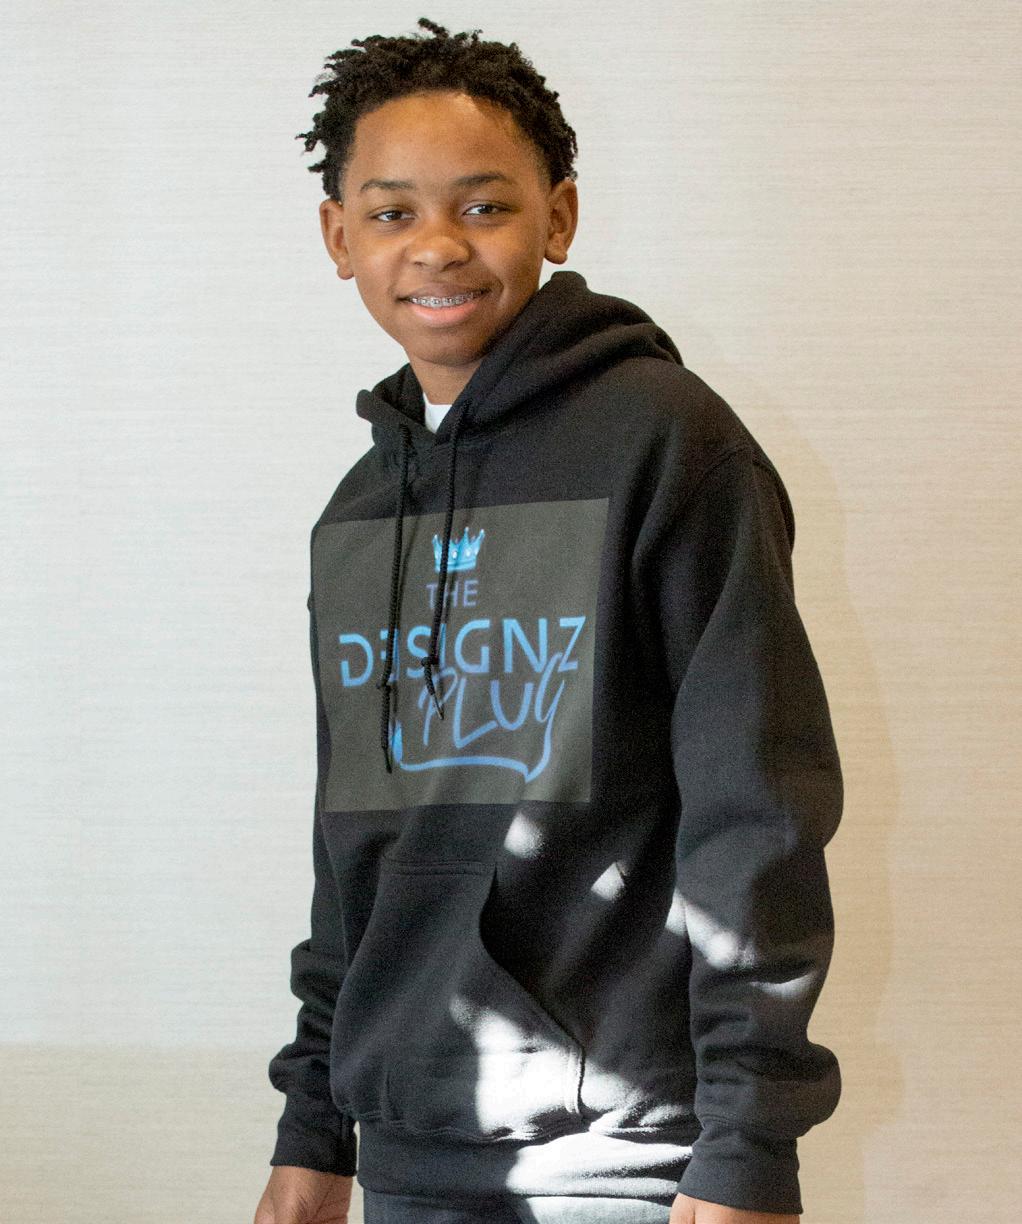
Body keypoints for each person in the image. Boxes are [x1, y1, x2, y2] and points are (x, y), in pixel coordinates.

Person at [253, 17, 843, 1224]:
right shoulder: (359, 514)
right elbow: (353, 856)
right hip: (405, 1151)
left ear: (557, 217)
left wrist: (747, 1148)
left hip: (627, 1162)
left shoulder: (668, 446)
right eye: (391, 212)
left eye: (482, 206)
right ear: (338, 238)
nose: (436, 246)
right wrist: (314, 1125)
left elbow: (755, 812)